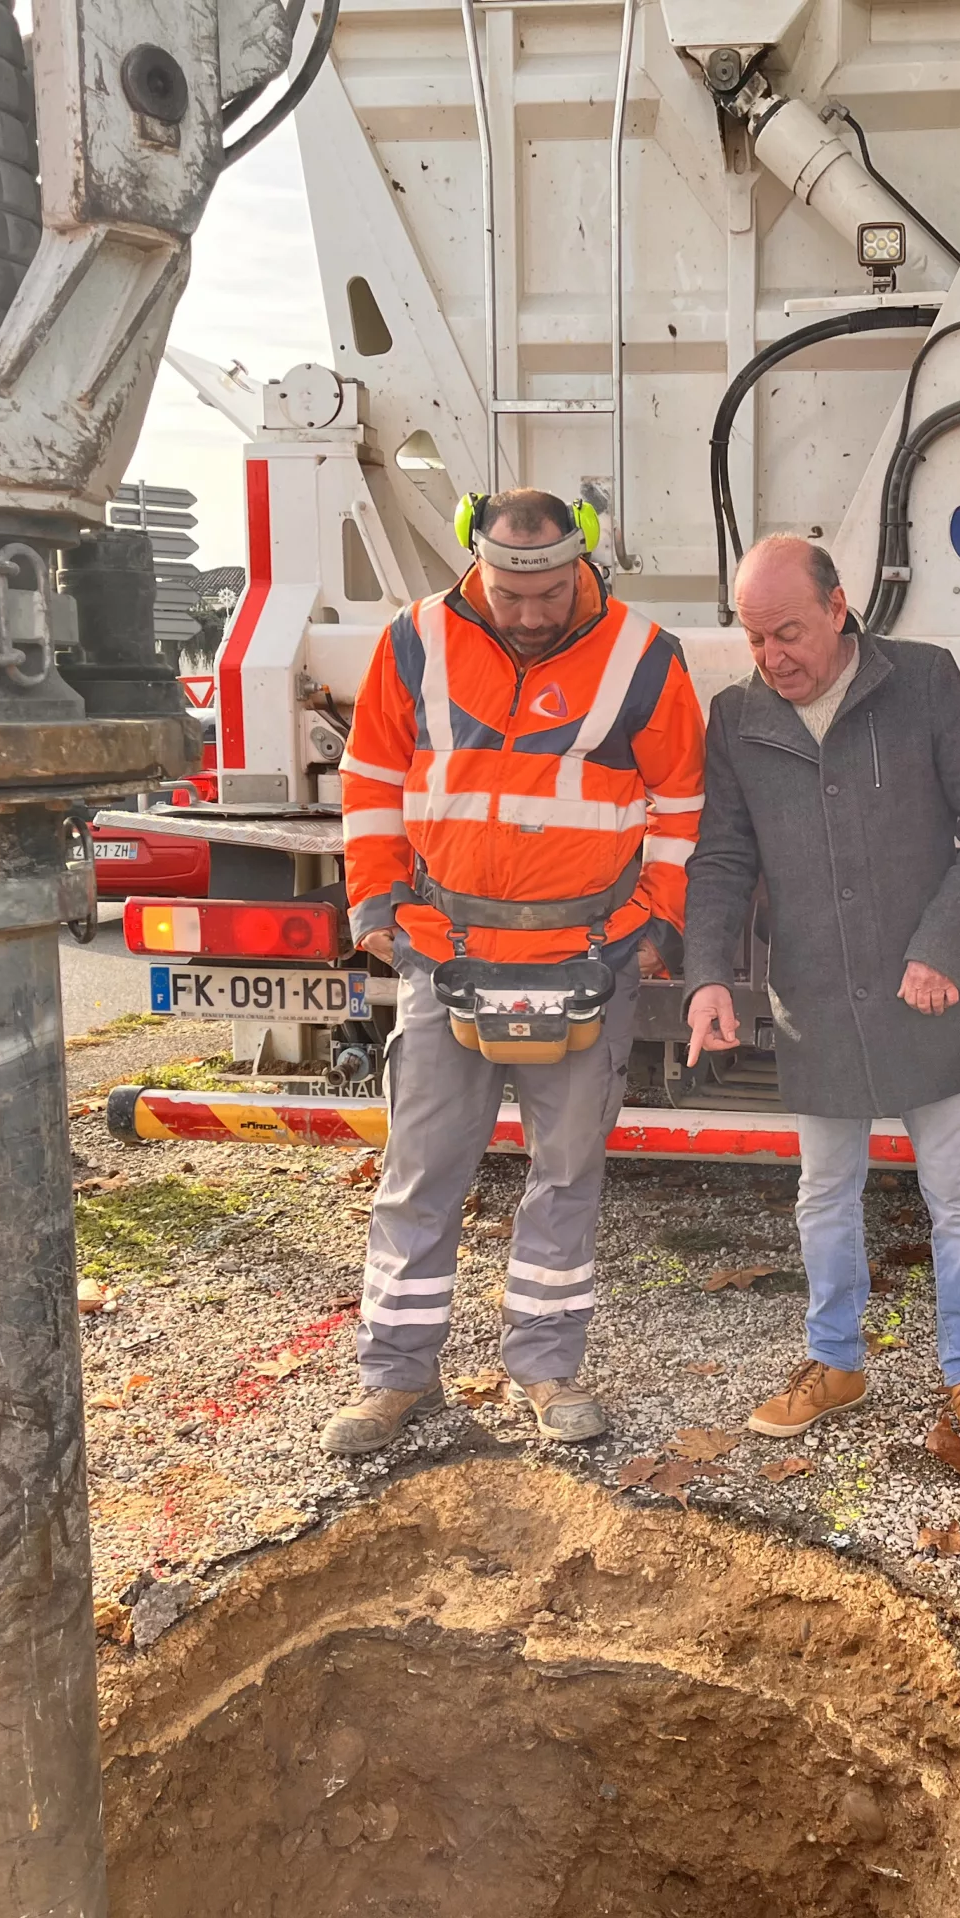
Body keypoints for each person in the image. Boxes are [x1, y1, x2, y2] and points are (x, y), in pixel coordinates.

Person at [321, 488, 706, 1454]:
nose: (528, 613)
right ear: (474, 565)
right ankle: (395, 1377)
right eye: (507, 592)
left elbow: (682, 800)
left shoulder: (642, 655)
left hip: (584, 959)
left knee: (567, 1175)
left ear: (583, 563)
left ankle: (545, 1365)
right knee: (421, 1172)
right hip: (446, 954)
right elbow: (371, 776)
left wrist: (654, 924)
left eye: (547, 591)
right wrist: (376, 902)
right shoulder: (414, 641)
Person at [681, 536, 960, 1466]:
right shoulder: (738, 717)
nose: (772, 657)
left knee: (957, 1193)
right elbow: (721, 857)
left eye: (787, 632)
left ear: (839, 608)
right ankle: (834, 1362)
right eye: (754, 640)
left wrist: (939, 945)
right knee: (824, 1190)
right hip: (818, 999)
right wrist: (709, 973)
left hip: (929, 990)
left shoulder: (922, 682)